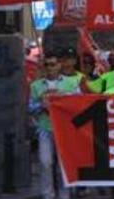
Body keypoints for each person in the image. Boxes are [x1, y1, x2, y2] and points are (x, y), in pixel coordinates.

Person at [29, 54, 81, 199]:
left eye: (53, 64)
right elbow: (30, 108)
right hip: (45, 128)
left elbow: (79, 103)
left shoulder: (72, 83)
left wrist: (63, 100)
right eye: (47, 65)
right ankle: (48, 195)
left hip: (64, 129)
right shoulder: (36, 86)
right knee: (45, 162)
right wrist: (41, 104)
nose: (50, 68)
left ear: (59, 65)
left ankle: (65, 195)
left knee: (63, 165)